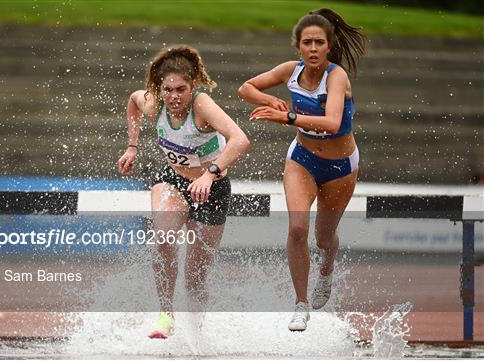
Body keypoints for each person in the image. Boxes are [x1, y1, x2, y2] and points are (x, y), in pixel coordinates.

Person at [238, 8, 366, 331]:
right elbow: (246, 88)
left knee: (323, 238)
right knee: (297, 228)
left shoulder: (336, 77)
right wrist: (270, 101)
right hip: (302, 160)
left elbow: (332, 122)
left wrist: (288, 117)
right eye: (306, 42)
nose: (312, 48)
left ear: (328, 47)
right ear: (298, 47)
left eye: (319, 43)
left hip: (339, 167)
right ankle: (301, 304)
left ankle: (327, 267)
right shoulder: (290, 71)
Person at [118, 45, 249, 339]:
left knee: (195, 275)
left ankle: (196, 332)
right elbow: (133, 101)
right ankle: (165, 314)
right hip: (173, 181)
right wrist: (132, 146)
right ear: (159, 88)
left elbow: (240, 139)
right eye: (168, 90)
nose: (174, 97)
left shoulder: (202, 105)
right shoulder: (155, 105)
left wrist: (210, 173)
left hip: (211, 189)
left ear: (193, 87)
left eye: (181, 89)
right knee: (163, 237)